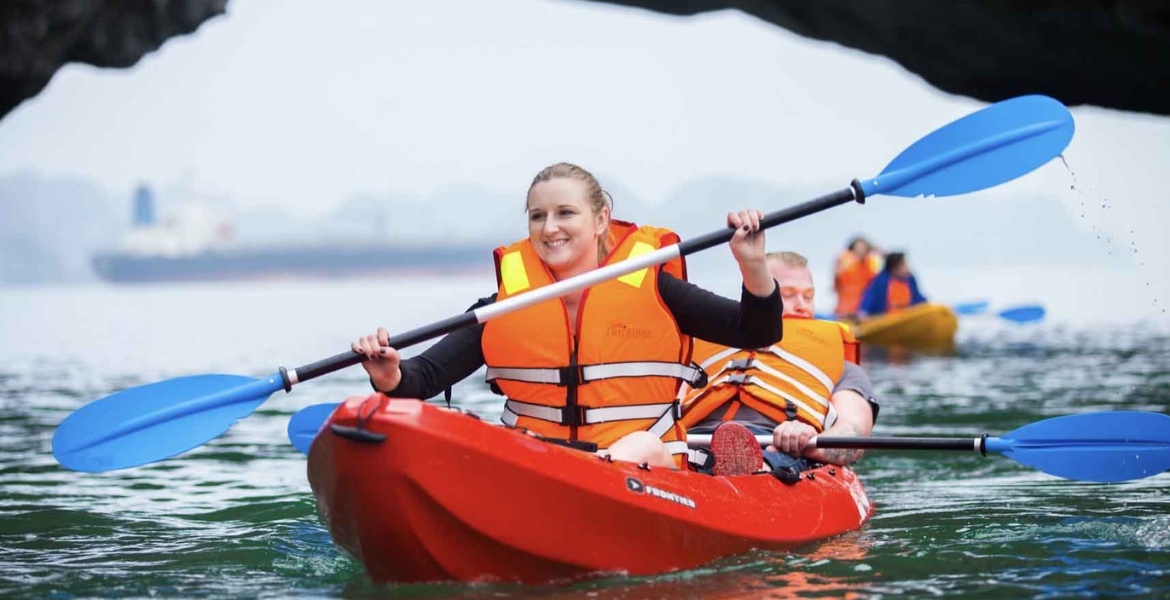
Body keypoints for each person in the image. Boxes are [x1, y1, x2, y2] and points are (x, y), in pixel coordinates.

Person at [351, 162, 783, 469]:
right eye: (537, 216)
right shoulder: (505, 304)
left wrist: (752, 264)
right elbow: (422, 377)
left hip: (645, 469)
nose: (549, 227)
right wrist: (388, 372)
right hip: (539, 466)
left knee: (640, 446)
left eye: (565, 213)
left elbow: (757, 330)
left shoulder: (655, 288)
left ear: (601, 220)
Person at [680, 251, 878, 476]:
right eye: (788, 295)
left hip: (777, 449)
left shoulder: (843, 368)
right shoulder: (698, 350)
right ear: (757, 297)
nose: (802, 305)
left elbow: (853, 434)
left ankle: (749, 472)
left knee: (769, 459)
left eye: (808, 296)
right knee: (648, 446)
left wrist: (808, 440)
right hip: (690, 441)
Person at [857, 251, 927, 317]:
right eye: (903, 265)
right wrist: (863, 312)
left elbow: (918, 298)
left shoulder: (910, 280)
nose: (907, 268)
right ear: (894, 268)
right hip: (887, 320)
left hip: (906, 319)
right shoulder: (880, 282)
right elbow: (869, 300)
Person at [833, 236, 883, 319]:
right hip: (846, 311)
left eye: (864, 248)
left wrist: (877, 251)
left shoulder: (871, 263)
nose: (861, 251)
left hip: (864, 311)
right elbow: (836, 277)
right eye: (858, 248)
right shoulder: (845, 261)